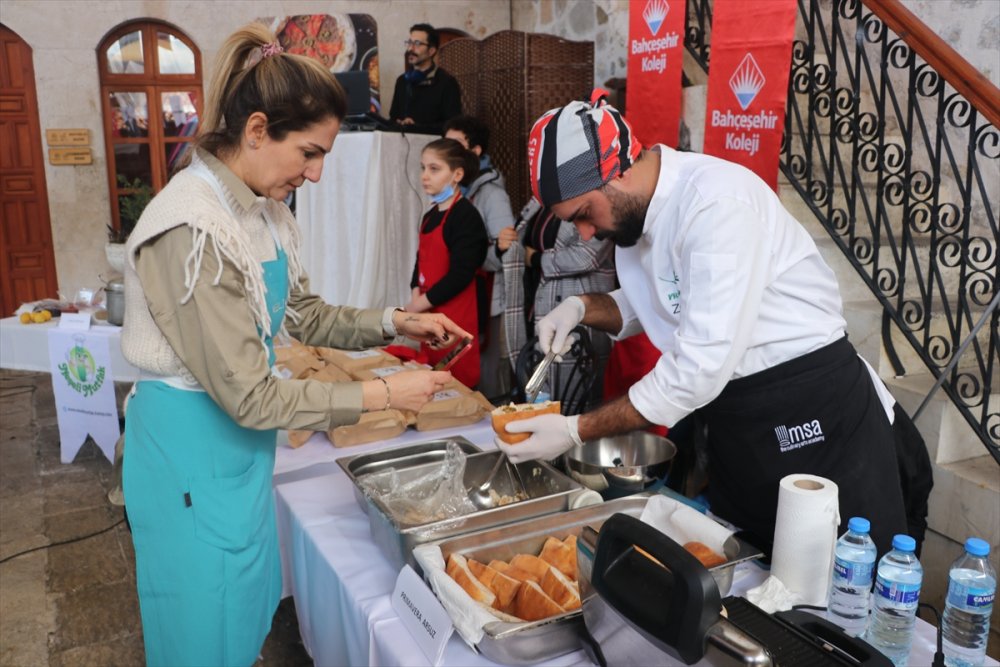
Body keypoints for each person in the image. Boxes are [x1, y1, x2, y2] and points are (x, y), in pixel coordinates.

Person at [119, 24, 466, 667]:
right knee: (200, 636)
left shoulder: (262, 210)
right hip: (189, 457)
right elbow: (252, 397)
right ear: (257, 131)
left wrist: (397, 322)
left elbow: (301, 314)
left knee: (242, 613)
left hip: (237, 458)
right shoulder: (191, 227)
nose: (316, 173)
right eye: (309, 153)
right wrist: (384, 392)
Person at [497, 91, 909, 557]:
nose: (587, 233)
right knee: (746, 562)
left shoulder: (716, 205)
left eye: (585, 215)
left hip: (808, 406)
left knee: (840, 568)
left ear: (620, 170)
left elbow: (695, 370)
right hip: (737, 415)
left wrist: (575, 430)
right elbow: (656, 300)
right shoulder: (638, 216)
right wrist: (579, 308)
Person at [497, 200, 616, 410]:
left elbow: (586, 256)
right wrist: (506, 245)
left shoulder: (594, 197)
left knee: (575, 400)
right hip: (535, 306)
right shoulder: (538, 202)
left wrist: (536, 259)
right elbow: (521, 244)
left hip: (579, 310)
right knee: (538, 396)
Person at [405, 138, 489, 388]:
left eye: (434, 169)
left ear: (457, 174)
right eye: (423, 168)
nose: (424, 176)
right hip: (428, 313)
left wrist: (418, 305)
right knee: (429, 381)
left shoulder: (466, 216)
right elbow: (419, 262)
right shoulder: (429, 215)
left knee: (455, 384)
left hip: (455, 316)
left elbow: (461, 274)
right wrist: (416, 299)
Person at [443, 115, 516, 399]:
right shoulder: (462, 191)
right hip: (468, 294)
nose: (448, 151)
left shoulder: (492, 194)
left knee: (489, 375)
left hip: (490, 296)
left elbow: (506, 251)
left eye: (456, 145)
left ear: (475, 151)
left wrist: (468, 258)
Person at [388, 23, 462, 134]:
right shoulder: (402, 81)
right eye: (409, 43)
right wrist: (398, 124)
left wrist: (417, 127)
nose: (410, 48)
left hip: (434, 143)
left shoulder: (447, 82)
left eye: (417, 44)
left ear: (431, 51)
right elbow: (393, 117)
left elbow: (452, 126)